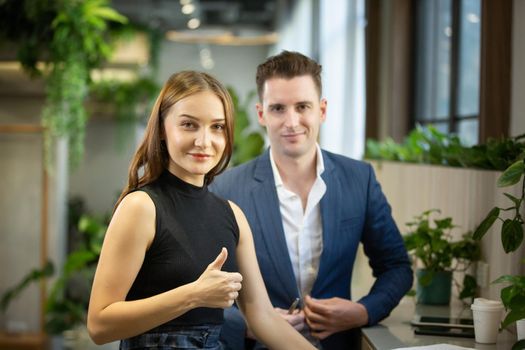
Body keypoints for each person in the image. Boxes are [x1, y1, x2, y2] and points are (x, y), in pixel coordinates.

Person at [86, 71, 316, 350]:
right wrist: (194, 295)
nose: (204, 141)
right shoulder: (141, 207)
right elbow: (99, 325)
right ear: (162, 129)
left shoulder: (233, 216)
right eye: (189, 125)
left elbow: (262, 318)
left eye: (217, 127)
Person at [210, 51, 413, 349]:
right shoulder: (226, 188)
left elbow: (397, 266)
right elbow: (203, 288)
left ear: (322, 110)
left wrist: (362, 311)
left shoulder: (360, 179)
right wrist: (251, 324)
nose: (291, 122)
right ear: (261, 113)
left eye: (302, 106)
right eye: (278, 108)